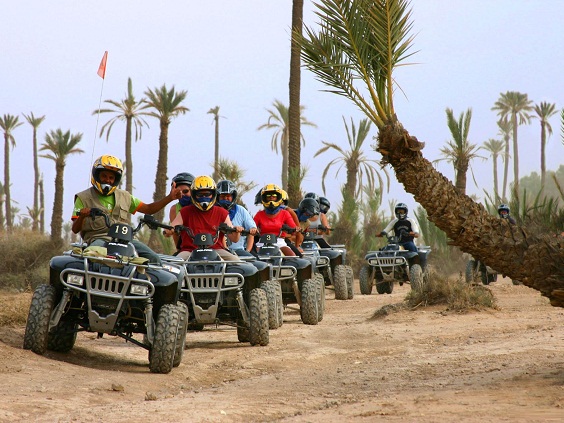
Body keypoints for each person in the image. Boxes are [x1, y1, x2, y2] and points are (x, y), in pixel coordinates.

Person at [71, 154, 182, 263]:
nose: (108, 180)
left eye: (111, 177)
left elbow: (149, 209)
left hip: (126, 240)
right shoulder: (83, 198)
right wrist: (82, 216)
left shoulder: (125, 196)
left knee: (154, 259)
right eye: (104, 176)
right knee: (91, 256)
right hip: (99, 239)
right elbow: (75, 229)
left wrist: (170, 198)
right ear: (96, 175)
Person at [165, 175, 241, 261]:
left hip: (217, 250)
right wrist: (169, 230)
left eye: (207, 194)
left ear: (213, 194)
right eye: (200, 194)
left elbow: (234, 239)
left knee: (239, 264)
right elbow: (170, 228)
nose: (204, 197)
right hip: (189, 251)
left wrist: (237, 231)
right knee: (175, 266)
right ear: (193, 195)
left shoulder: (222, 212)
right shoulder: (185, 212)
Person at [253, 184, 299, 256]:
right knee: (255, 257)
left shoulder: (285, 213)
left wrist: (294, 229)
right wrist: (252, 229)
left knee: (292, 257)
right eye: (268, 196)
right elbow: (252, 226)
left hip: (279, 242)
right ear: (264, 198)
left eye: (274, 196)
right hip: (262, 242)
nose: (271, 198)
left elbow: (293, 228)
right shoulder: (259, 214)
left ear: (278, 197)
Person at [216, 179, 258, 256]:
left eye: (228, 196)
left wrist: (248, 250)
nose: (225, 198)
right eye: (222, 196)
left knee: (255, 264)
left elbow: (252, 230)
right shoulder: (213, 211)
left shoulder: (241, 210)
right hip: (217, 250)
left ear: (233, 196)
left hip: (238, 250)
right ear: (217, 197)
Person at [168, 172, 195, 252]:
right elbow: (175, 235)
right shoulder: (174, 209)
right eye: (179, 192)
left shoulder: (201, 206)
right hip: (186, 249)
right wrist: (179, 250)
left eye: (186, 191)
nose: (182, 194)